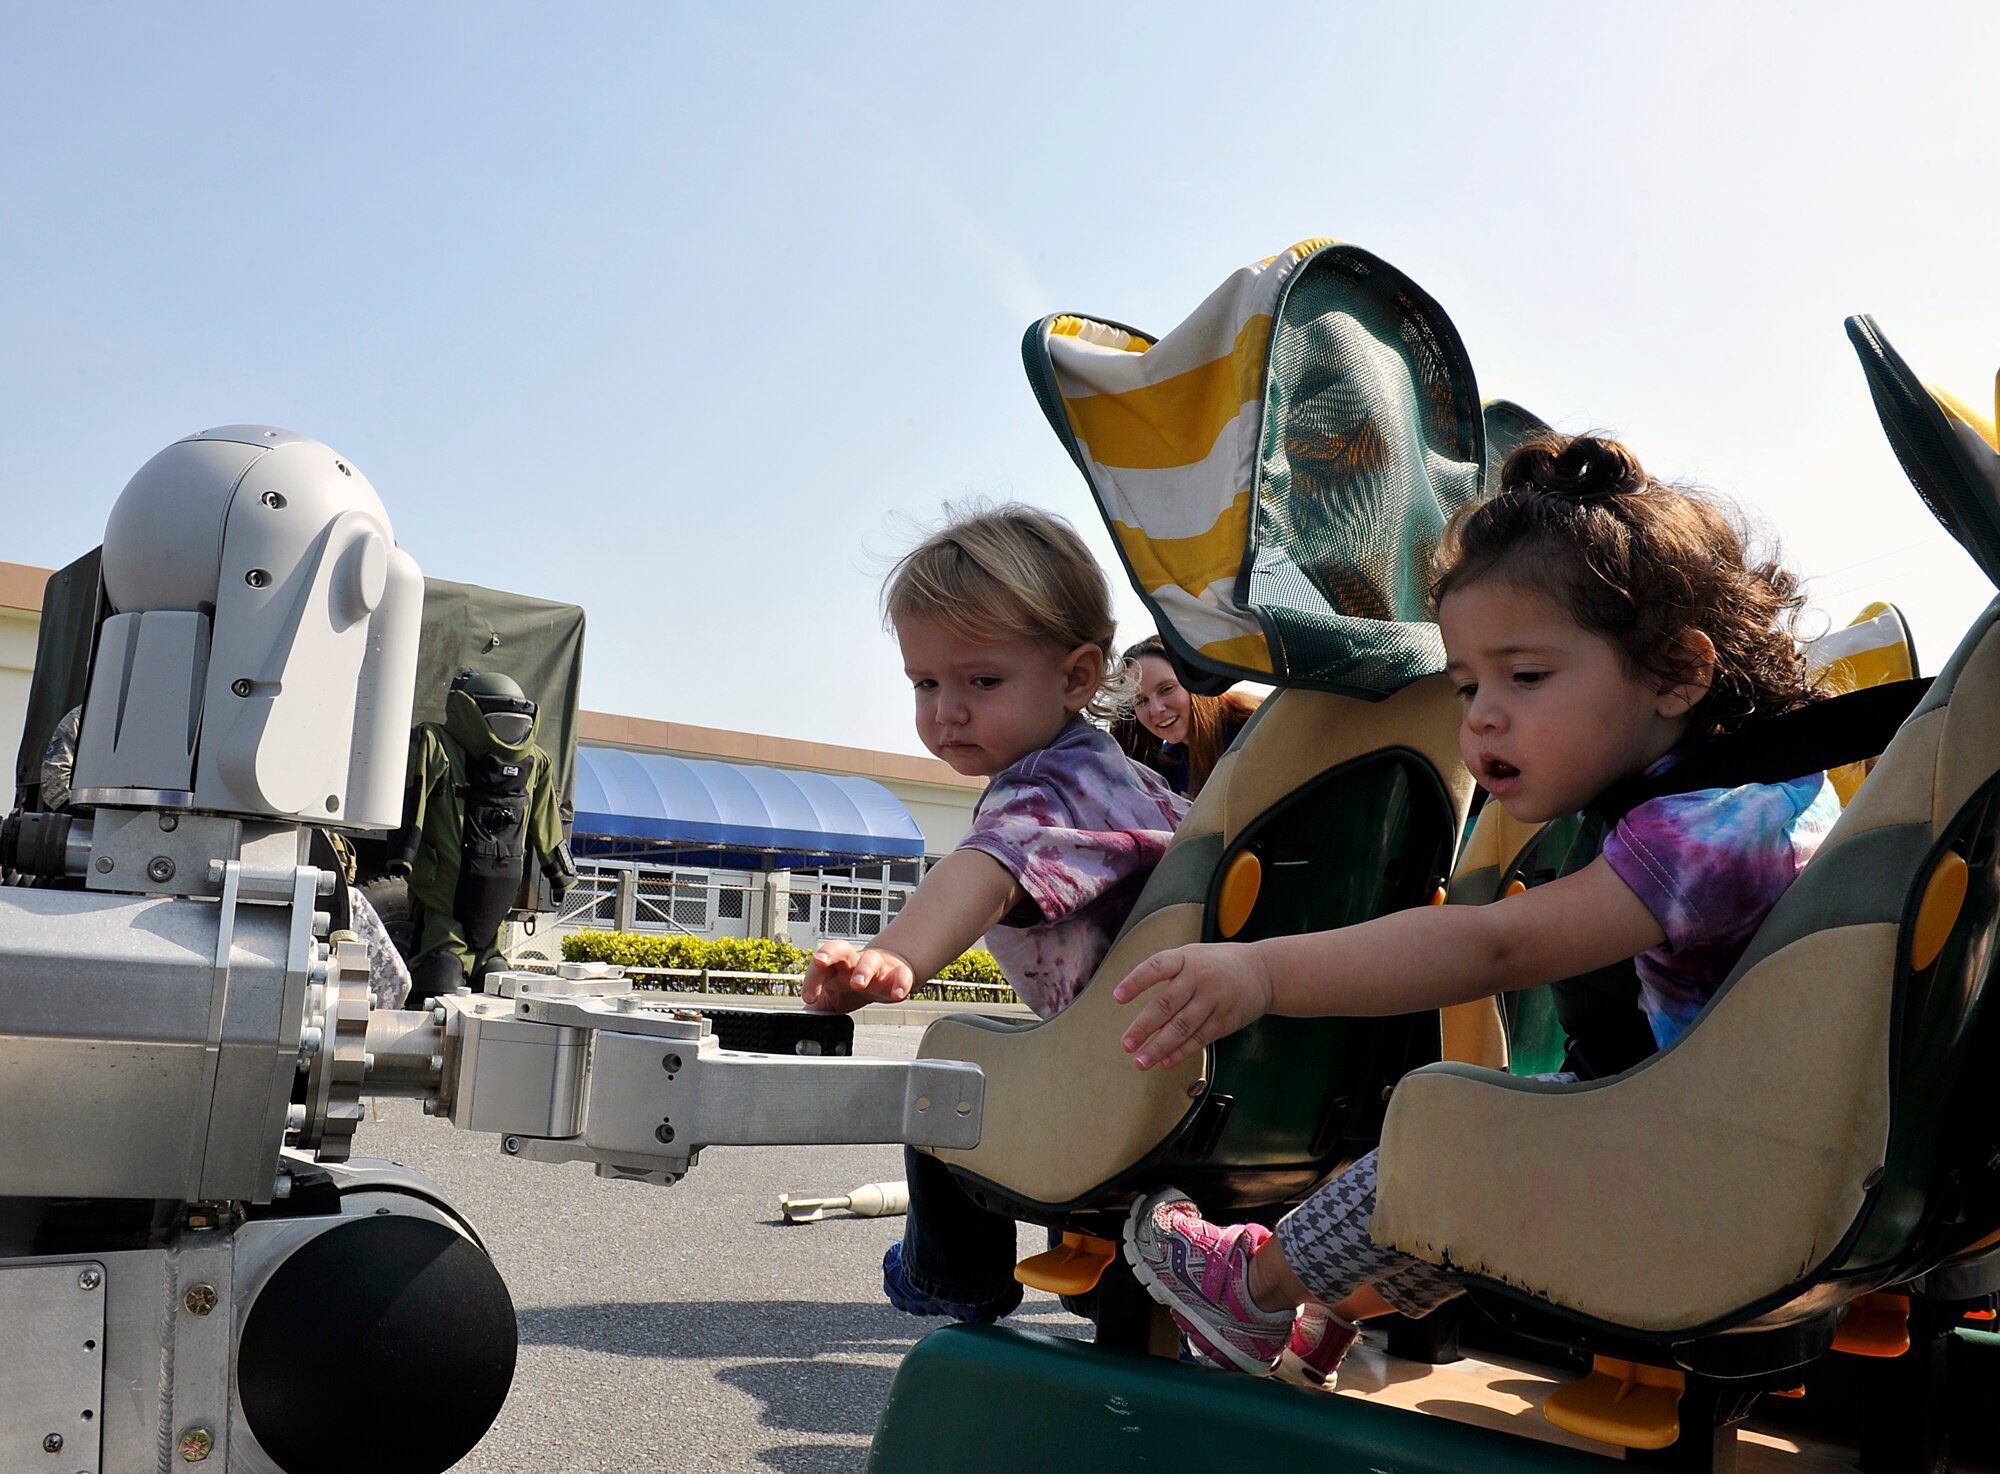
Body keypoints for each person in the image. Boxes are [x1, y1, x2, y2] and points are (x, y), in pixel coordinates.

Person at [1112, 432, 1837, 1386]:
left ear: (1677, 673)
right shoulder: (1774, 785)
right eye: (1467, 685)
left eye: (1525, 677)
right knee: (1518, 1135)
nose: (1482, 718)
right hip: (1773, 1150)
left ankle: (1252, 1287)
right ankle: (1326, 1307)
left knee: (1453, 1127)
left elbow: (1491, 946)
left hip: (1714, 1175)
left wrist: (1261, 970)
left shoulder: (1697, 834)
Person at [804, 502, 1189, 1323]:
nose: (947, 709)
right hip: (1183, 1071)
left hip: (1115, 1085)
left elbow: (986, 869)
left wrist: (897, 956)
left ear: (1079, 676)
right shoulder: (1131, 780)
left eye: (982, 681)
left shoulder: (1043, 788)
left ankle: (953, 1279)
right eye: (925, 682)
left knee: (947, 1073)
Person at [1112, 635, 1263, 798]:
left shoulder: (1254, 729)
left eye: (1167, 689)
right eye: (1141, 701)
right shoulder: (1169, 767)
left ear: (1194, 681)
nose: (1156, 709)